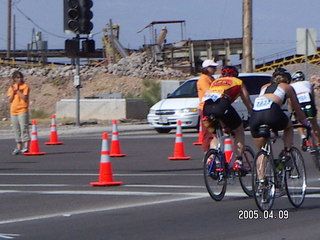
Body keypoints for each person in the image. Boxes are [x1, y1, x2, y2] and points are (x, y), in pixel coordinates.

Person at [249, 68, 309, 184]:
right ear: (287, 79)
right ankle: (286, 153)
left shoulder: (264, 87)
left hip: (255, 116)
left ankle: (261, 182)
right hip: (272, 112)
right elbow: (297, 109)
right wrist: (305, 123)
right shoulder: (287, 87)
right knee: (289, 126)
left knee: (262, 151)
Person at [202, 65, 253, 170]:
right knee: (239, 130)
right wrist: (251, 115)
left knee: (216, 136)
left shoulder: (215, 82)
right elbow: (248, 103)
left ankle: (212, 158)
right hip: (222, 106)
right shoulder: (238, 82)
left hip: (206, 108)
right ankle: (238, 161)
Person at [290, 70, 320, 150]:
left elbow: (291, 100)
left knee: (299, 121)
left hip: (298, 103)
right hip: (309, 102)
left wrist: (292, 110)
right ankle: (319, 141)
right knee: (314, 122)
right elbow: (312, 97)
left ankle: (303, 137)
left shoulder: (291, 86)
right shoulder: (308, 83)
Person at [196, 59, 219, 152]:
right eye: (212, 67)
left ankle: (213, 152)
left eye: (215, 67)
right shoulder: (203, 79)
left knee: (215, 132)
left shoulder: (211, 78)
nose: (214, 69)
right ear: (206, 68)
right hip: (205, 108)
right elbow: (209, 92)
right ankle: (207, 153)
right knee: (208, 133)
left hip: (213, 107)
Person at [7, 71, 30, 155]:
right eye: (17, 78)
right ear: (14, 79)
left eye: (20, 77)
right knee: (16, 129)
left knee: (24, 128)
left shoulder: (25, 86)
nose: (19, 79)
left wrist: (18, 91)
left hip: (22, 110)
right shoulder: (11, 87)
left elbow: (25, 98)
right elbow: (9, 100)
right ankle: (18, 146)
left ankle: (26, 146)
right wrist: (13, 92)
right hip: (14, 110)